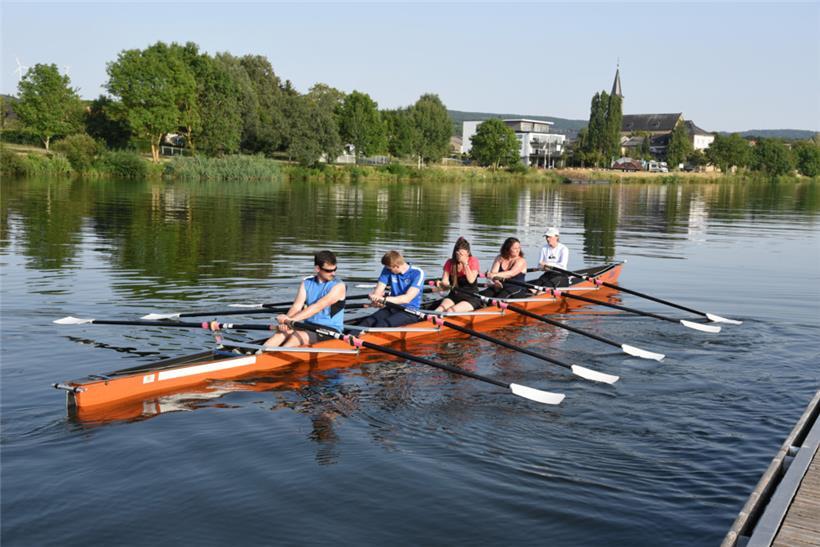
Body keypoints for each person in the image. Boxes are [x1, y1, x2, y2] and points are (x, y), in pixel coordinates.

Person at [264, 250, 346, 348]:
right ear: (317, 268)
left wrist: (290, 320)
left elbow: (318, 306)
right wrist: (286, 323)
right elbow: (296, 307)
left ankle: (273, 358)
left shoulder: (339, 286)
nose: (333, 273)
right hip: (308, 326)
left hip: (330, 330)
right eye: (328, 270)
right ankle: (258, 353)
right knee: (282, 332)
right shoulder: (306, 283)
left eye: (334, 269)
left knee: (297, 336)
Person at [358, 250, 425, 328]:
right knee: (367, 322)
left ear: (396, 266)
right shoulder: (387, 269)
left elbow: (406, 299)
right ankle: (349, 337)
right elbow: (379, 290)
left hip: (409, 311)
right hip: (392, 307)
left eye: (389, 269)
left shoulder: (417, 273)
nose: (387, 270)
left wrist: (383, 299)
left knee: (381, 325)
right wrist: (375, 299)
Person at [435, 237, 482, 312]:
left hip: (471, 297)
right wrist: (441, 284)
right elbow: (445, 282)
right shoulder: (450, 262)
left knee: (450, 311)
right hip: (454, 295)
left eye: (462, 254)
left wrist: (465, 264)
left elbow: (471, 280)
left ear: (468, 253)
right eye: (458, 254)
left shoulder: (473, 260)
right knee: (438, 310)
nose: (459, 256)